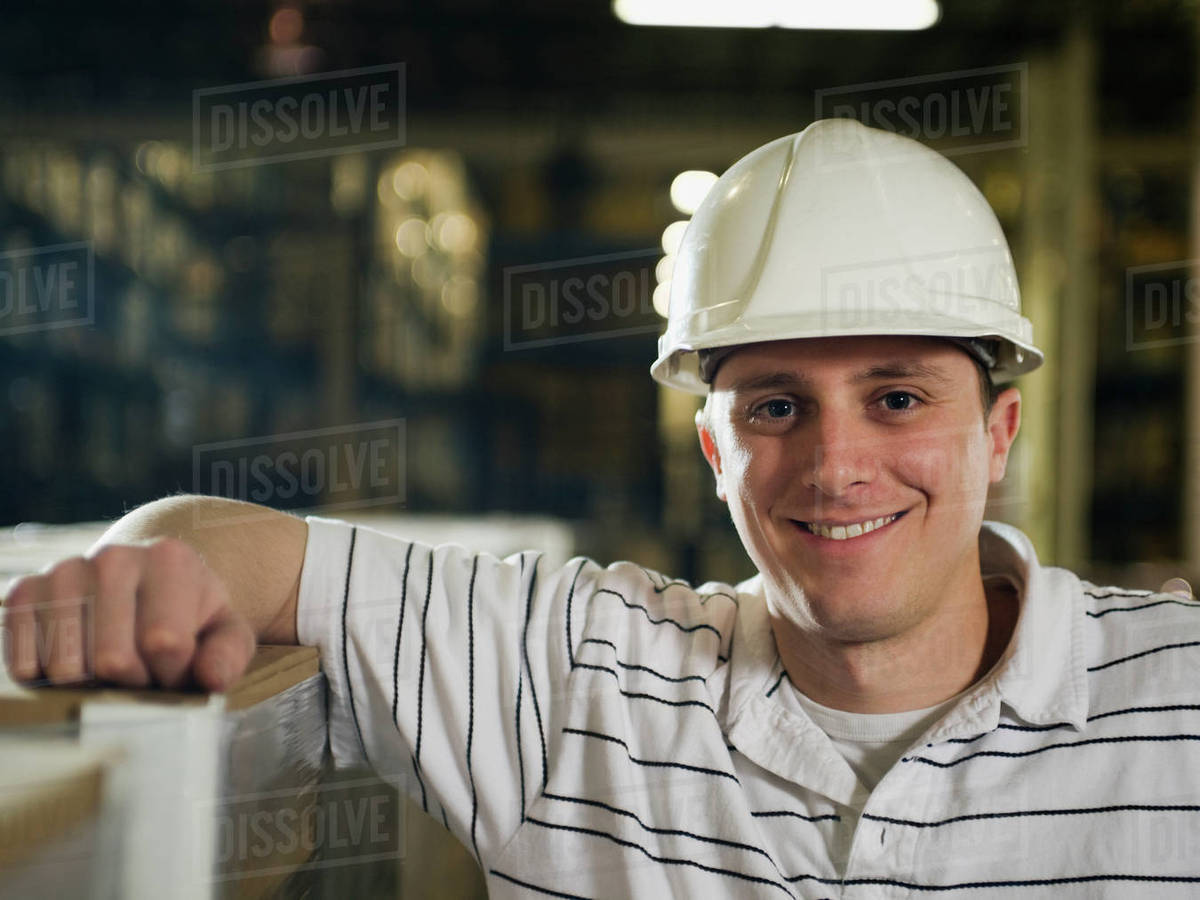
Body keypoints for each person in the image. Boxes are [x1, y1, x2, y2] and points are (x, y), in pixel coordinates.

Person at [6, 119, 1200, 898]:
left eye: (896, 397)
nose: (838, 466)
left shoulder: (1176, 699)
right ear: (711, 449)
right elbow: (223, 542)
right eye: (777, 408)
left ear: (999, 429)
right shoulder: (580, 679)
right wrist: (145, 578)